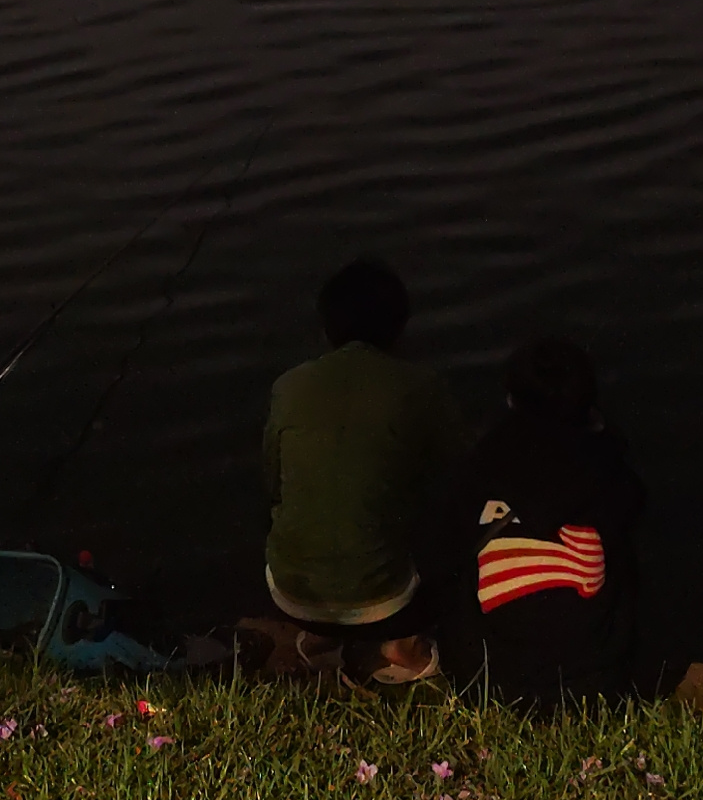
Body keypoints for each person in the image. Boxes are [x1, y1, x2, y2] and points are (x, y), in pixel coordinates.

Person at [263, 258, 462, 681]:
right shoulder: (422, 386)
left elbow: (272, 481)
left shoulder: (289, 385)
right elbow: (458, 470)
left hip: (292, 593)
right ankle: (401, 649)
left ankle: (318, 639)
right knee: (452, 517)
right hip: (387, 603)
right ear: (400, 328)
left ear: (326, 328)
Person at [438, 337, 645, 706]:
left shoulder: (479, 463)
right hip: (598, 680)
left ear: (510, 400)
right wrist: (605, 436)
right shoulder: (610, 471)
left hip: (487, 678)